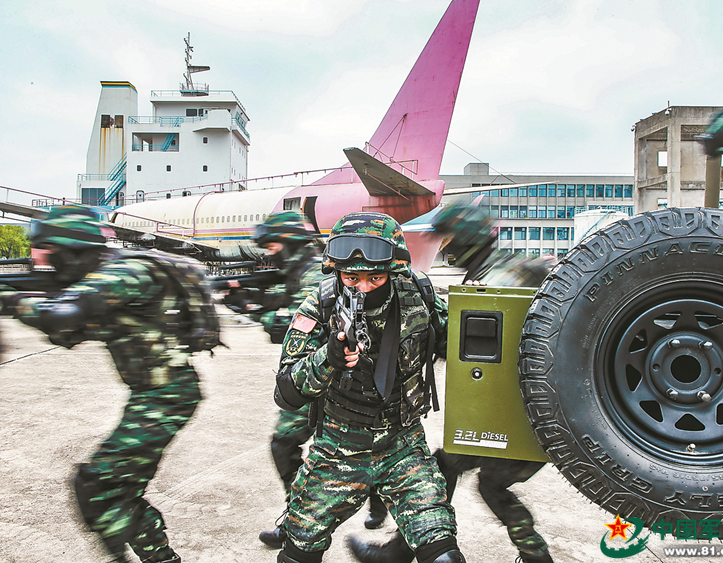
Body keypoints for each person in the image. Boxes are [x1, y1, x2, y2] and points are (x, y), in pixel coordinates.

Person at [0, 205, 219, 563]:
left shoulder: (123, 274)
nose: (42, 260)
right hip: (156, 395)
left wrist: (9, 300)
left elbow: (62, 318)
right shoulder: (104, 273)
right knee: (120, 492)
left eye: (49, 252)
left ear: (71, 249)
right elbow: (71, 332)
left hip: (165, 397)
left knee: (96, 486)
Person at [348, 202, 555, 563]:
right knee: (489, 484)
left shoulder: (498, 278)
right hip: (531, 411)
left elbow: (476, 345)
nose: (446, 248)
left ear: (465, 239)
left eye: (449, 239)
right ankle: (536, 556)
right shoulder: (507, 267)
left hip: (513, 412)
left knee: (443, 468)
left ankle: (397, 553)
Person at [273, 212, 466, 563]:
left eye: (375, 277)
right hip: (336, 450)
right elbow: (286, 391)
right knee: (298, 551)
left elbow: (462, 344)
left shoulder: (418, 294)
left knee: (441, 549)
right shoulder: (322, 302)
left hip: (403, 446)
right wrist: (326, 359)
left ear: (394, 268)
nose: (362, 286)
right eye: (352, 277)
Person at [220, 211, 387, 548]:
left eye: (273, 245)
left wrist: (254, 308)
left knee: (297, 445)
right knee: (298, 445)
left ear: (289, 242)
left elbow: (295, 326)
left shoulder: (315, 273)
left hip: (333, 376)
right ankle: (300, 515)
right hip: (318, 374)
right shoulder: (291, 271)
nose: (268, 252)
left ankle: (301, 521)